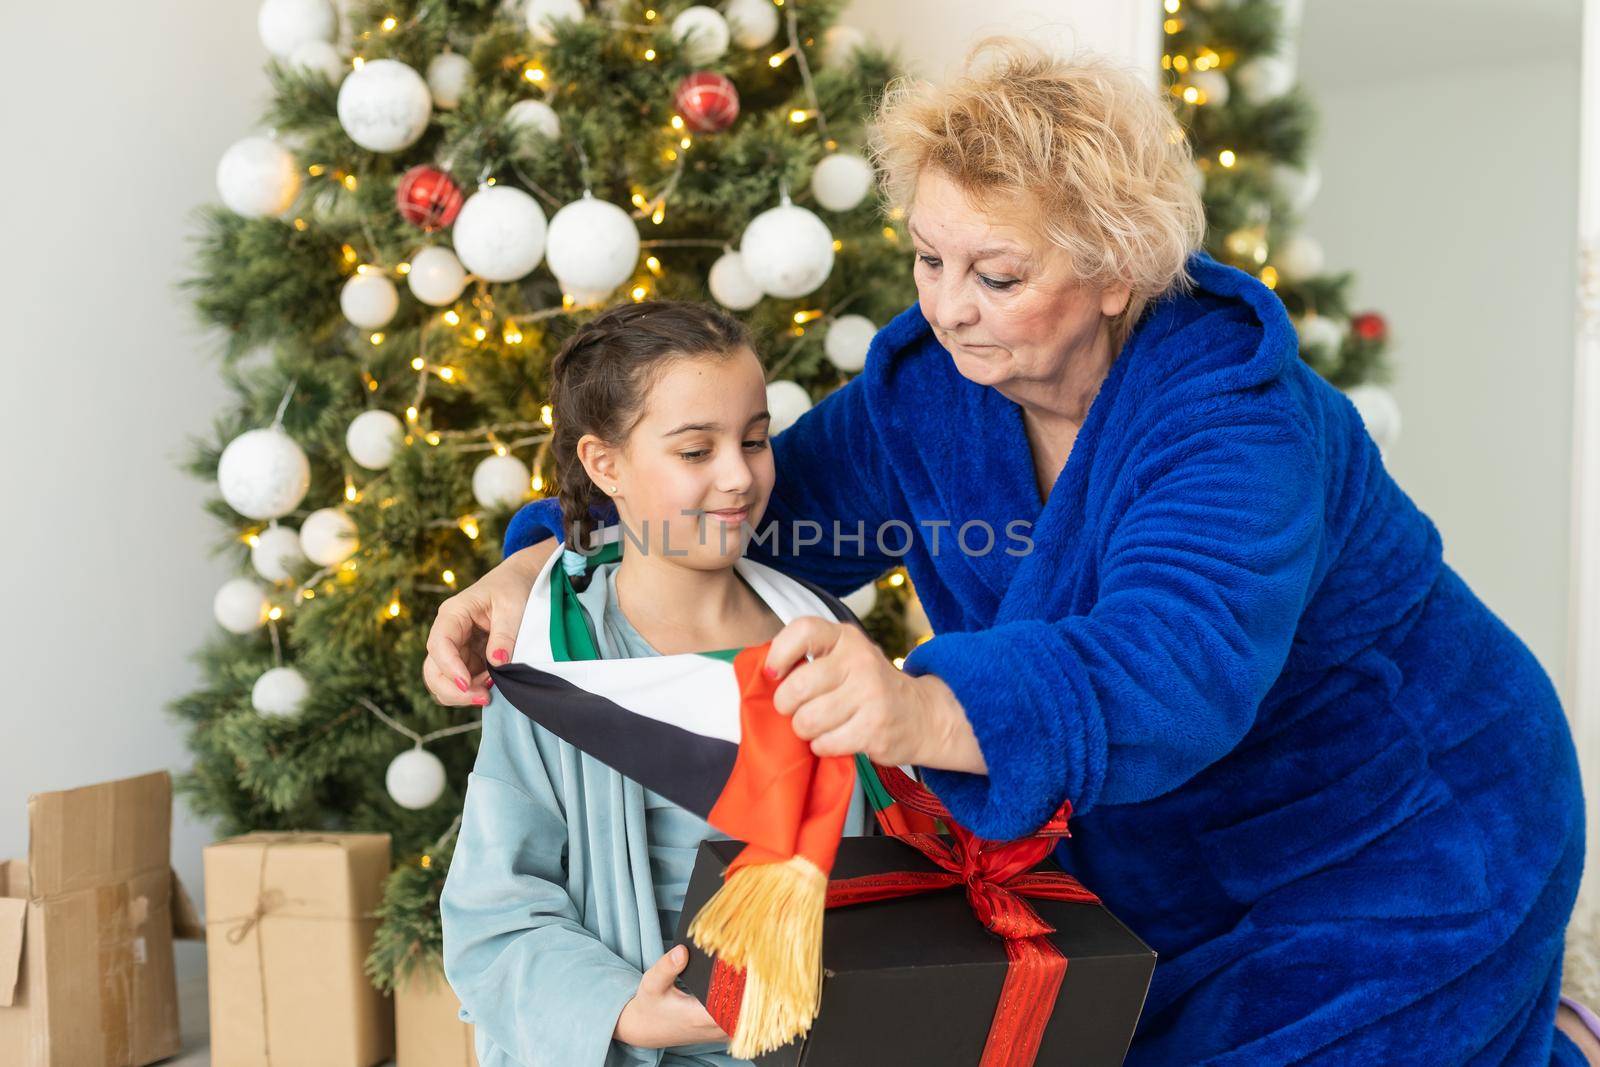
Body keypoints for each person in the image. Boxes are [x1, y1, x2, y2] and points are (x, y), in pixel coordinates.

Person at [428, 39, 1595, 1066]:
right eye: (929, 260)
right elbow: (740, 517)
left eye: (998, 275)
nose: (949, 306)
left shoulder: (1236, 422)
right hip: (1154, 844)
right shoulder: (933, 394)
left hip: (1396, 827)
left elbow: (1172, 659)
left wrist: (918, 708)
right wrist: (539, 557)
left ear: (1114, 272)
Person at [437, 301, 868, 1067]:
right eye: (696, 451)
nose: (739, 476)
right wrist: (623, 1012)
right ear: (606, 465)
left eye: (756, 440)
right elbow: (495, 913)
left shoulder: (820, 634)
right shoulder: (557, 658)